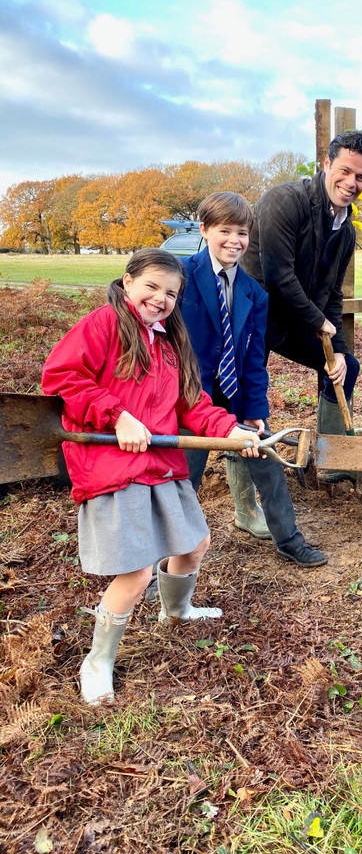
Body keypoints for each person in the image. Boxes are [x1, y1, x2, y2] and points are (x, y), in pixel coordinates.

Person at [41, 248, 261, 705]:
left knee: (194, 544)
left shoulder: (168, 343)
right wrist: (117, 415)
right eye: (152, 286)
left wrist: (232, 431)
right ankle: (98, 660)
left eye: (171, 293)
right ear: (127, 282)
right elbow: (61, 376)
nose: (160, 298)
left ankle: (176, 613)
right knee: (137, 571)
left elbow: (193, 405)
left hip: (161, 464)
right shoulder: (104, 324)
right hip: (113, 468)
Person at [178, 191, 327, 568]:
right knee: (182, 480)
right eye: (224, 231)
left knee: (266, 461)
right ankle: (163, 561)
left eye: (242, 233)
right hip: (189, 398)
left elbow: (253, 361)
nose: (234, 241)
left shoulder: (254, 293)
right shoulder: (180, 276)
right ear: (205, 230)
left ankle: (288, 539)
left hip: (234, 396)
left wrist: (256, 411)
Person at [242, 130, 362, 483]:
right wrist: (318, 321)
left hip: (293, 319)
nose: (351, 183)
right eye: (345, 171)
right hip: (251, 318)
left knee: (344, 366)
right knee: (247, 400)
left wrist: (337, 352)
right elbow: (276, 276)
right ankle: (253, 498)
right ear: (326, 164)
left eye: (361, 176)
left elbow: (333, 294)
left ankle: (333, 462)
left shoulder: (346, 231)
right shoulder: (284, 201)